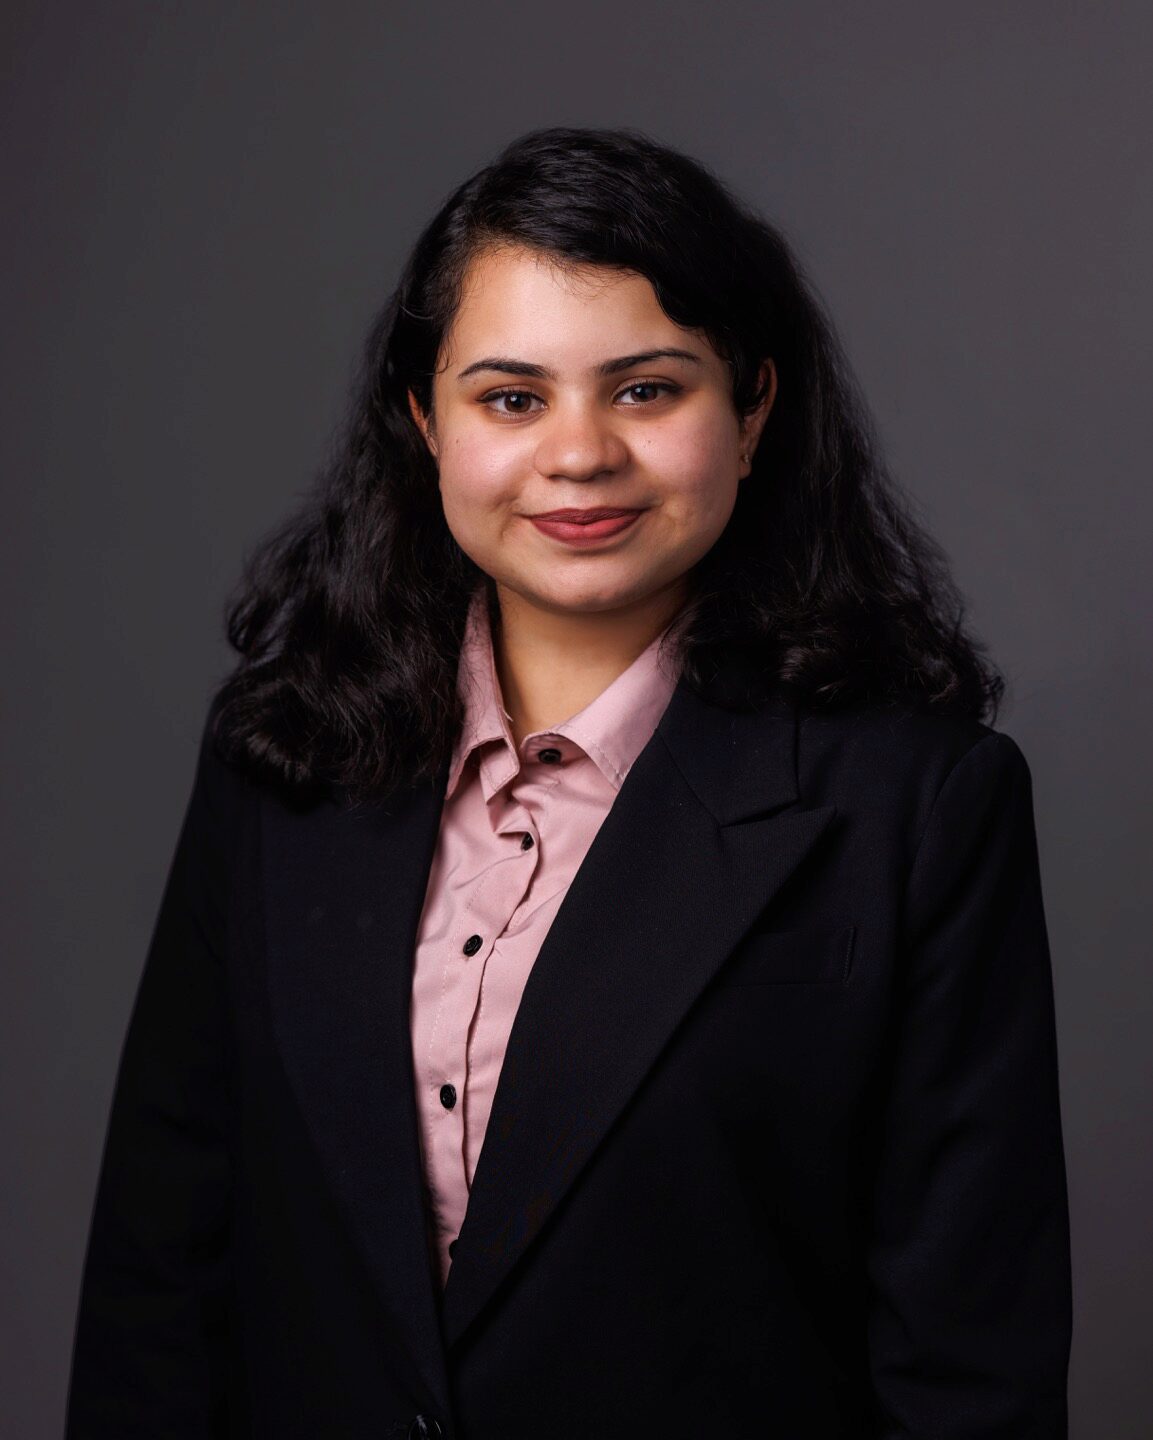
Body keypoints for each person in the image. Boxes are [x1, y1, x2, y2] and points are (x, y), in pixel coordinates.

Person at [64, 126, 1072, 1439]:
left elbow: (967, 1364)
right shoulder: (281, 758)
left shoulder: (920, 807)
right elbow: (161, 1272)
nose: (579, 454)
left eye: (646, 390)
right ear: (423, 422)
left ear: (752, 407)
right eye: (510, 397)